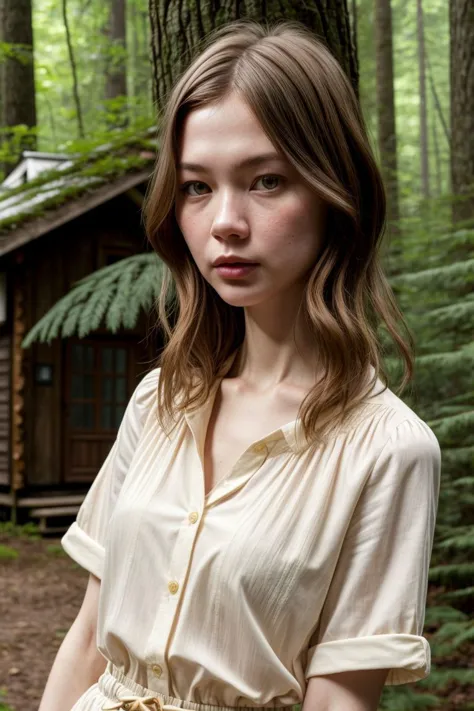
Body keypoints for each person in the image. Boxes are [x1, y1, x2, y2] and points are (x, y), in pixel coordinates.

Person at [38, 19, 441, 711]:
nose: (225, 220)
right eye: (198, 187)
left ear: (333, 193)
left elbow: (339, 700)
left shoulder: (389, 450)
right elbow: (87, 638)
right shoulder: (157, 402)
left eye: (267, 180)